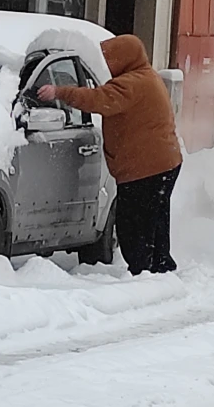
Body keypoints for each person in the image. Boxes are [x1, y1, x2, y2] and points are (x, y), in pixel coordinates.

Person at [37, 34, 182, 275]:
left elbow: (99, 99)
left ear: (125, 59)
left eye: (112, 59)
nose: (108, 64)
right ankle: (159, 266)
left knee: (132, 224)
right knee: (154, 219)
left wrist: (60, 92)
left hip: (146, 168)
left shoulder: (132, 83)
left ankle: (143, 271)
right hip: (162, 163)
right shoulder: (146, 76)